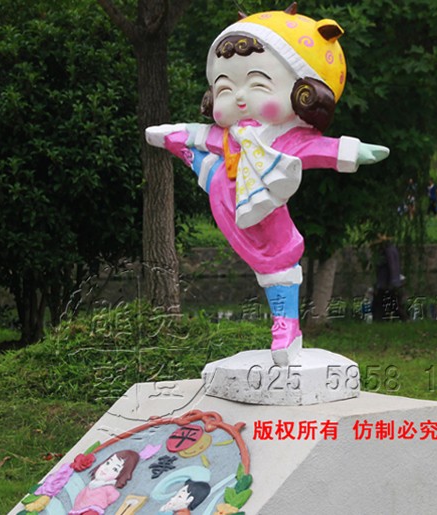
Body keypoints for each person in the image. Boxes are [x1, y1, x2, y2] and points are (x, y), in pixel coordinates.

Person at [145, 5, 389, 365]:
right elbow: (195, 134)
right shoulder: (227, 135)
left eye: (258, 84)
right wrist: (167, 136)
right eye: (225, 88)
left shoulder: (282, 139)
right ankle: (206, 168)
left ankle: (286, 327)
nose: (240, 97)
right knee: (206, 160)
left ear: (303, 91)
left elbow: (317, 149)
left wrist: (351, 151)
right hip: (224, 197)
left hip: (264, 206)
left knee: (278, 259)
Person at [69, 450, 140, 515]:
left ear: (121, 475)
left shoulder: (108, 488)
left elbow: (113, 496)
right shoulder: (92, 484)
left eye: (115, 469)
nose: (106, 468)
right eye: (108, 463)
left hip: (93, 510)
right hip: (79, 509)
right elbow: (80, 496)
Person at [371, 235, 408, 321]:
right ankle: (379, 321)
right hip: (387, 283)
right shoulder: (392, 249)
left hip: (386, 284)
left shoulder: (387, 251)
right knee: (387, 305)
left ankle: (404, 319)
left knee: (384, 305)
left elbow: (392, 267)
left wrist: (392, 282)